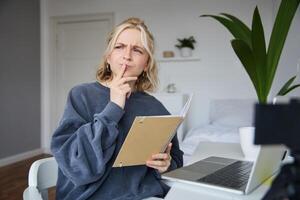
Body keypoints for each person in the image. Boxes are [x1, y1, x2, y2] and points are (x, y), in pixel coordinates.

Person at [51, 17, 183, 200]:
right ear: (108, 56)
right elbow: (76, 165)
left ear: (146, 64)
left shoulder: (155, 107)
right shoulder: (81, 95)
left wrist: (166, 165)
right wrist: (114, 107)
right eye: (119, 47)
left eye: (137, 50)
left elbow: (176, 161)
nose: (127, 55)